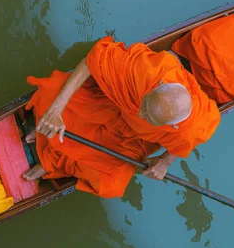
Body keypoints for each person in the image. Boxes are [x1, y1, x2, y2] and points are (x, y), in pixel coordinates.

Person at [22, 36, 221, 198]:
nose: (141, 113)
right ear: (157, 85)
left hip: (132, 138)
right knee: (50, 92)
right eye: (145, 105)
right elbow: (92, 61)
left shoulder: (192, 128)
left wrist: (163, 162)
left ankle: (56, 163)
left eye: (148, 117)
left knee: (111, 184)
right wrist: (56, 109)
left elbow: (183, 146)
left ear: (174, 126)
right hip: (111, 104)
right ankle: (46, 124)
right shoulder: (147, 71)